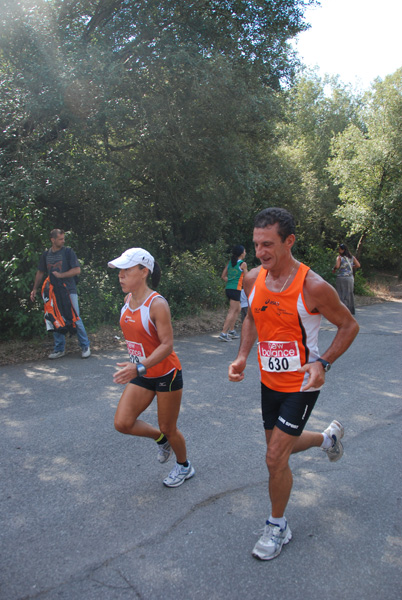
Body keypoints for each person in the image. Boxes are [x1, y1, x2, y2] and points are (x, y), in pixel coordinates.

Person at [228, 207, 359, 561]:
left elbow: (349, 326)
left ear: (290, 241)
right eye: (256, 244)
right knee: (278, 448)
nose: (260, 252)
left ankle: (277, 525)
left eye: (268, 244)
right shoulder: (254, 278)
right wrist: (242, 356)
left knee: (273, 457)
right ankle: (327, 439)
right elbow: (252, 319)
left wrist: (323, 361)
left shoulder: (313, 286)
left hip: (302, 383)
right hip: (269, 381)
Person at [108, 247, 195, 488]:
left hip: (166, 373)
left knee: (169, 427)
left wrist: (138, 367)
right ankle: (160, 440)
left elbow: (167, 346)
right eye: (120, 271)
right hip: (143, 372)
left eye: (126, 270)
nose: (120, 275)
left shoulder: (157, 304)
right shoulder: (127, 301)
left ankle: (184, 466)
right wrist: (138, 367)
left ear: (144, 271)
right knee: (123, 423)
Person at [30, 229, 91, 359]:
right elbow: (40, 272)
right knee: (55, 317)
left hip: (69, 289)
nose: (63, 241)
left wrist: (61, 275)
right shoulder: (46, 254)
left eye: (63, 239)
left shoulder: (68, 252)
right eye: (60, 239)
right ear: (53, 240)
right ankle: (59, 349)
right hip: (52, 291)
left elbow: (77, 270)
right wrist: (35, 289)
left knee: (75, 317)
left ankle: (85, 346)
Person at [219, 244, 248, 341]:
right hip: (236, 289)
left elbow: (223, 276)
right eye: (244, 251)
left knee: (238, 309)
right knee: (232, 311)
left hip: (229, 288)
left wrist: (231, 280)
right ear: (241, 253)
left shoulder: (230, 263)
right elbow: (247, 277)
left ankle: (231, 331)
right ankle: (223, 333)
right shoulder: (243, 264)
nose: (245, 253)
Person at [333, 243, 361, 315]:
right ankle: (350, 310)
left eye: (340, 249)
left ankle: (341, 310)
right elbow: (358, 265)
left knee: (340, 293)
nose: (339, 251)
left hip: (341, 277)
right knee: (349, 293)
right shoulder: (352, 257)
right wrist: (351, 266)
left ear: (343, 250)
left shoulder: (339, 257)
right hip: (349, 278)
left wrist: (334, 269)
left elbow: (337, 265)